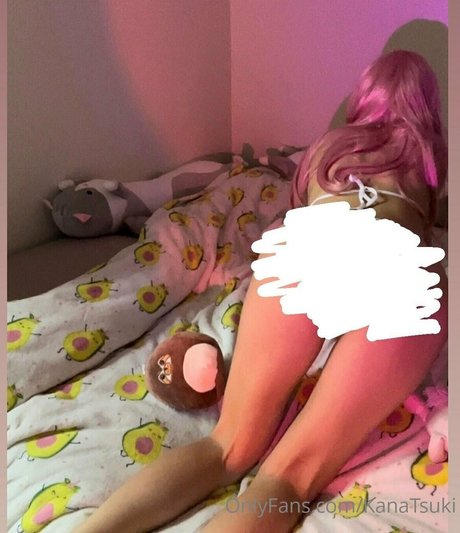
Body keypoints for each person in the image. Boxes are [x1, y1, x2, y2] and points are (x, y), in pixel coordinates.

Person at [74, 49, 448, 533]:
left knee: (227, 446)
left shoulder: (328, 148)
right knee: (291, 477)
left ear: (364, 96)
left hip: (309, 246)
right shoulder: (429, 157)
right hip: (396, 269)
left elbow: (300, 204)